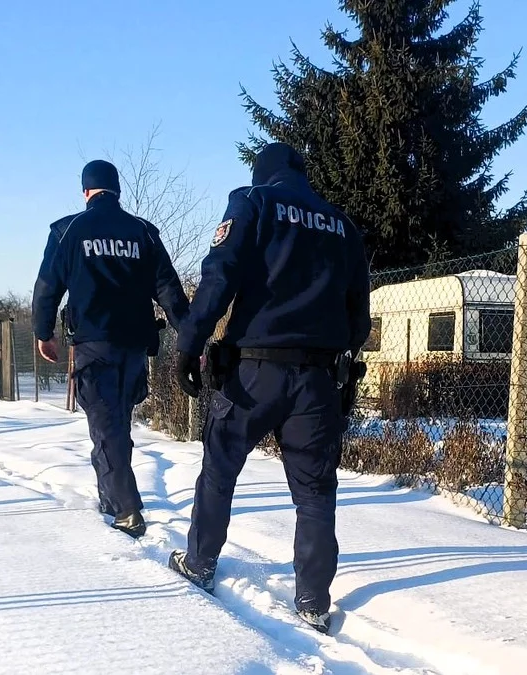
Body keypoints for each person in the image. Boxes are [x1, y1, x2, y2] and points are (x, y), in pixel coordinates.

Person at [167, 143, 371, 634]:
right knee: (315, 491)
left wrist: (189, 344)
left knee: (220, 468)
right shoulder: (341, 224)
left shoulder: (253, 201)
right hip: (318, 379)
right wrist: (335, 354)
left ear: (264, 173)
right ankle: (314, 601)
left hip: (253, 372)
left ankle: (200, 562)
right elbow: (359, 314)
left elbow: (219, 278)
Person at [32, 159, 190, 538]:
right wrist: (189, 334)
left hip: (94, 344)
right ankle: (111, 496)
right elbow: (169, 289)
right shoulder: (143, 232)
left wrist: (44, 332)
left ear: (86, 191)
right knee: (117, 423)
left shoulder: (67, 230)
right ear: (117, 190)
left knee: (106, 428)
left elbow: (47, 286)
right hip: (134, 346)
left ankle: (125, 510)